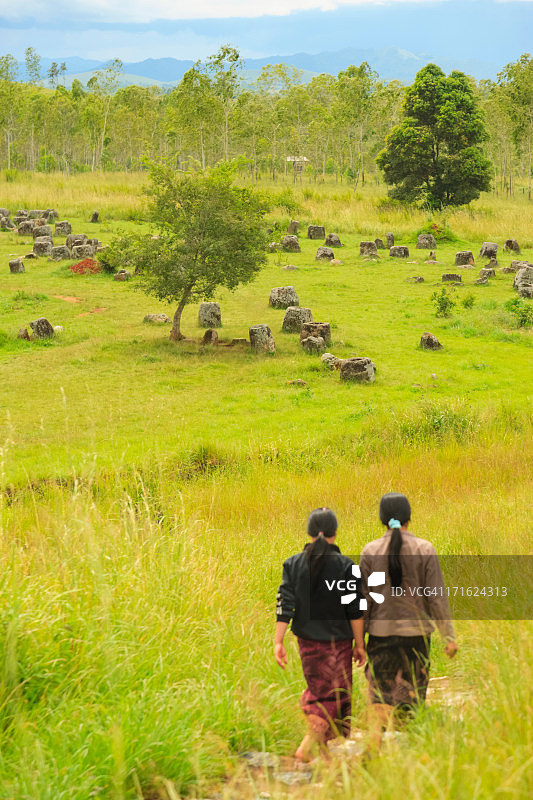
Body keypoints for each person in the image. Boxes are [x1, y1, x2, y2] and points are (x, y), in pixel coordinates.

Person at [359, 492, 458, 745]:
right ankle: (408, 765)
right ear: (409, 517)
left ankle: (373, 753)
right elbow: (436, 597)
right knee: (411, 705)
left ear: (382, 518)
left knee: (380, 703)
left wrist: (358, 642)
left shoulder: (369, 551)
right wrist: (449, 637)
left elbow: (363, 603)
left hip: (380, 639)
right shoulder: (425, 549)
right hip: (417, 640)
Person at [274, 508, 366, 762]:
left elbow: (285, 603)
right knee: (332, 695)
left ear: (310, 533)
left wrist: (278, 641)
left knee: (322, 688)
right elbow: (355, 609)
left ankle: (322, 754)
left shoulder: (292, 564)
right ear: (335, 533)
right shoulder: (346, 566)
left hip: (307, 644)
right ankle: (307, 745)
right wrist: (360, 645)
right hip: (339, 644)